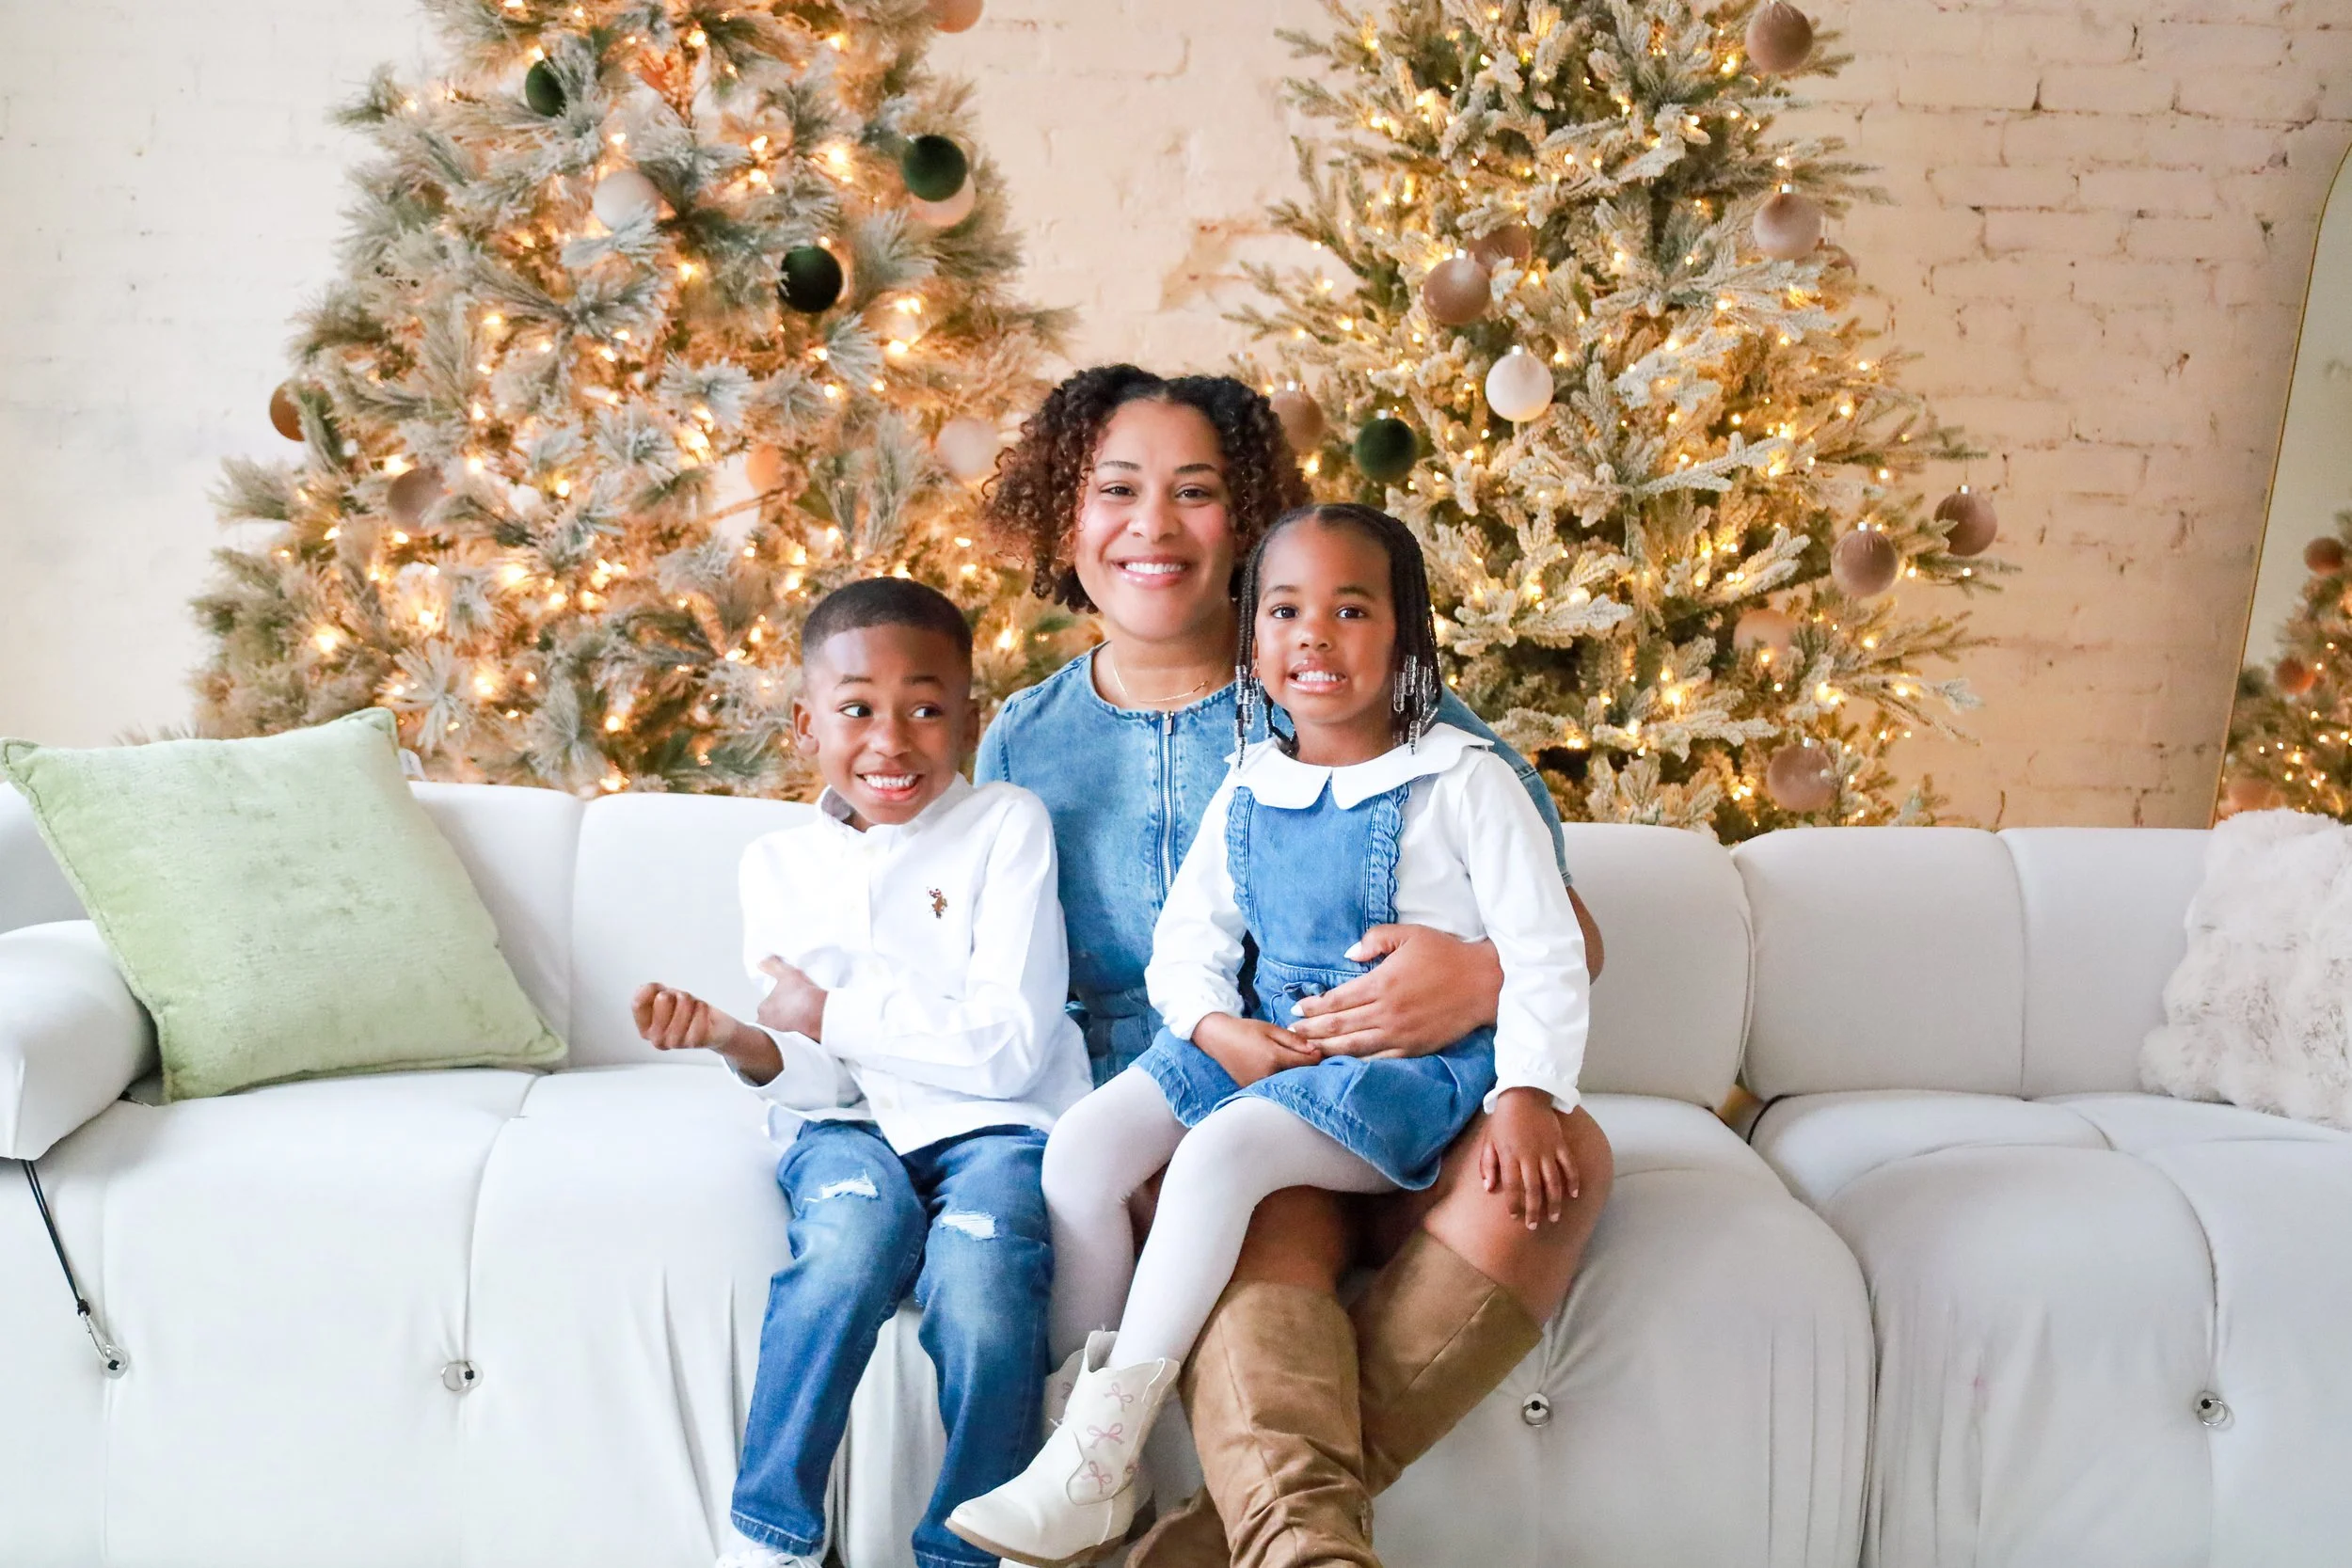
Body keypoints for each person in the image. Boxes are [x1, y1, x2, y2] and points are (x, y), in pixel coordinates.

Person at [933, 365, 1614, 1568]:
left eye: (1195, 491)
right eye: (1115, 490)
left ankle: (1208, 1534)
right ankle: (1186, 1493)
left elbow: (1563, 932)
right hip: (1198, 1102)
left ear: (1247, 522)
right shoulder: (1026, 739)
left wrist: (1472, 977)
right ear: (1063, 513)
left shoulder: (1388, 719)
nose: (1152, 525)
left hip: (1390, 1083)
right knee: (1230, 1184)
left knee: (1559, 1159)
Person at [632, 578, 1094, 1568]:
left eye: (925, 709)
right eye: (856, 709)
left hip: (998, 1128)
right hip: (846, 1130)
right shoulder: (775, 865)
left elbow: (1009, 1046)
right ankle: (772, 1535)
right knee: (846, 1245)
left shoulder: (1006, 824)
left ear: (969, 718)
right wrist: (739, 1039)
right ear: (807, 724)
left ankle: (971, 1546)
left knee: (983, 1279)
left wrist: (830, 1012)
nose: (891, 740)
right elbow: (822, 1077)